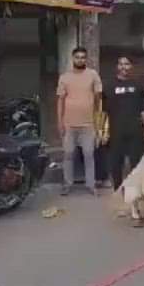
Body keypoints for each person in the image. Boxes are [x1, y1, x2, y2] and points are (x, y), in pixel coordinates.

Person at [57, 46, 103, 196]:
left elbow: (98, 99)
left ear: (86, 59)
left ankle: (91, 185)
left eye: (83, 57)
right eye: (77, 57)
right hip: (69, 124)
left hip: (88, 124)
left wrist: (98, 122)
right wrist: (60, 122)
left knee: (89, 155)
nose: (80, 60)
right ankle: (67, 184)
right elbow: (60, 101)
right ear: (73, 59)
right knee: (68, 155)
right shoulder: (65, 77)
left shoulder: (93, 75)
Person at [104, 56, 144, 190]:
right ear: (117, 67)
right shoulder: (109, 86)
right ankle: (118, 189)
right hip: (116, 130)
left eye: (127, 64)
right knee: (116, 163)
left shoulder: (137, 86)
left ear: (131, 67)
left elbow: (143, 109)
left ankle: (134, 189)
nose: (124, 67)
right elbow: (103, 112)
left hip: (135, 130)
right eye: (121, 64)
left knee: (136, 162)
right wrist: (102, 132)